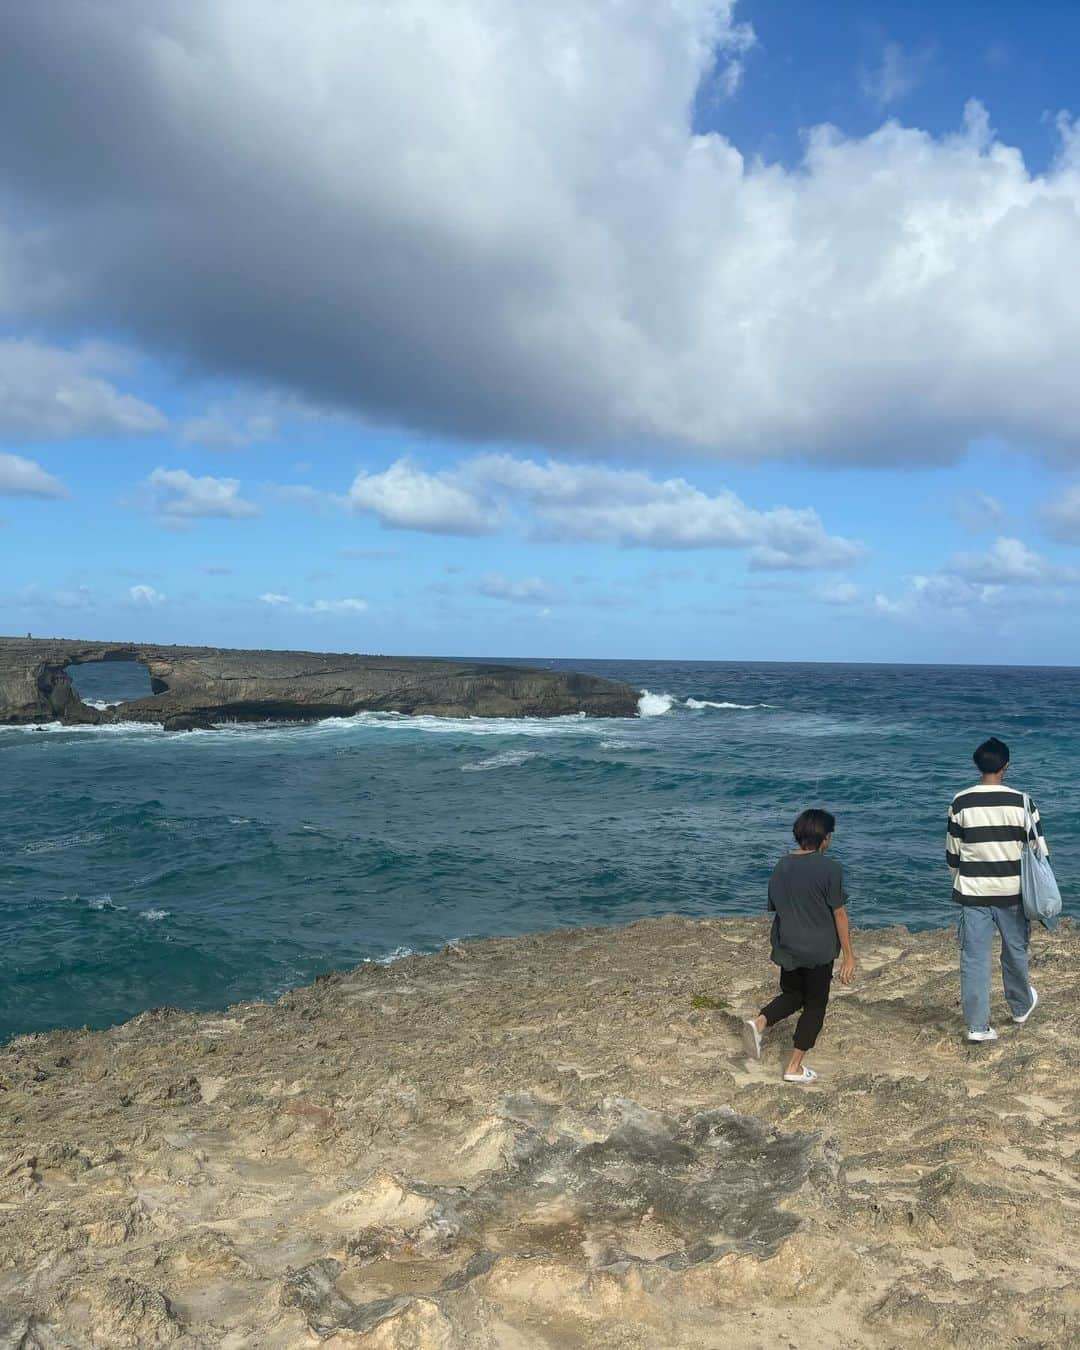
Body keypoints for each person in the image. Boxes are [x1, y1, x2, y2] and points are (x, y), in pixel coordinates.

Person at [741, 809, 856, 1083]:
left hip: (788, 945)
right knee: (815, 1006)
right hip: (818, 949)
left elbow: (775, 906)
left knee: (793, 995)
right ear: (825, 838)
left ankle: (759, 1023)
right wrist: (849, 957)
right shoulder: (831, 869)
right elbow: (839, 914)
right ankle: (793, 1067)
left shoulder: (782, 865)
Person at [947, 736, 1044, 1042]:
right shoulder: (1022, 802)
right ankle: (1020, 1005)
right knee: (1015, 951)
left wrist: (964, 880)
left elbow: (953, 854)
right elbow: (1039, 851)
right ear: (1006, 766)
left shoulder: (961, 801)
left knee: (974, 958)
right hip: (1012, 892)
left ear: (979, 765)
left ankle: (977, 1026)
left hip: (973, 892)